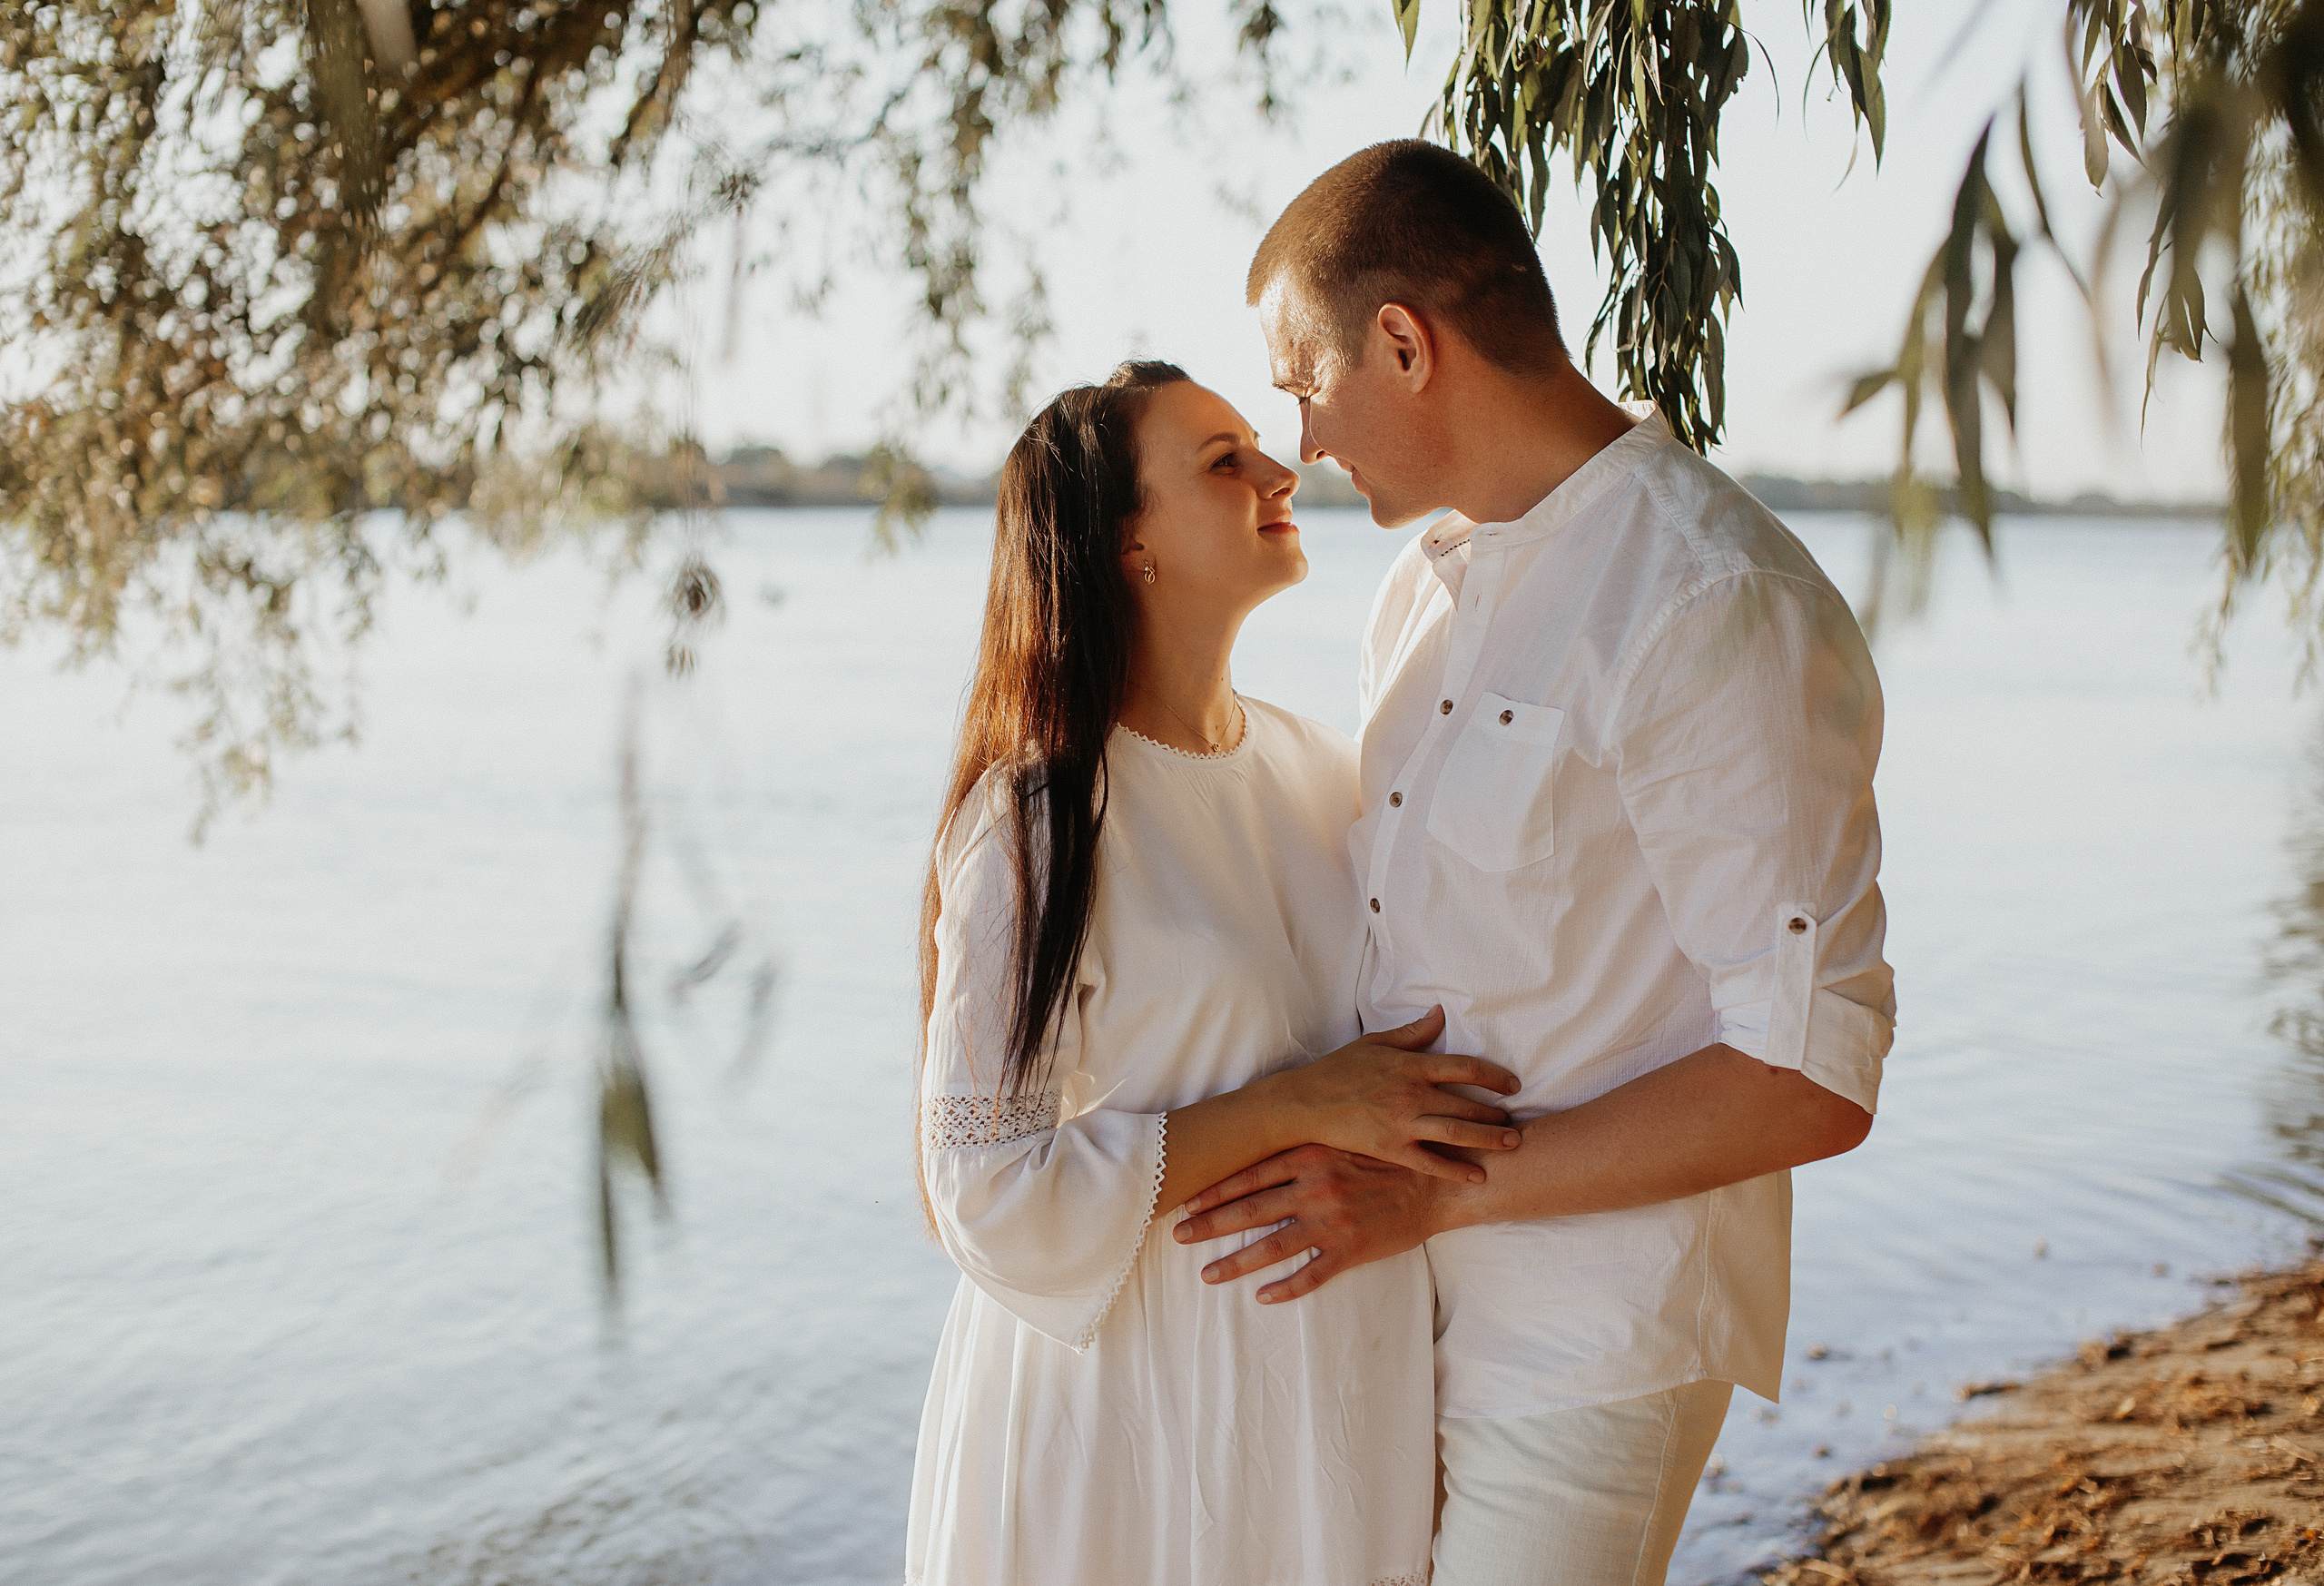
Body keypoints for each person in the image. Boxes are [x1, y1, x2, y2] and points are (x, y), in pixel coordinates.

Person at [1173, 141, 1897, 1586]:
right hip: (1389, 1320)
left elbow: (1813, 1071)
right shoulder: (1420, 591)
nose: (1300, 441)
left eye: (1303, 380)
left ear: (1402, 343)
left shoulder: (1707, 599)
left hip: (1591, 1339)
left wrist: (1443, 1192)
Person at [905, 359, 1526, 1586]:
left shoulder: (1331, 773)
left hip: (1326, 1404)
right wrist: (1301, 1107)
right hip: (1134, 1413)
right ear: (1128, 542)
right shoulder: (1040, 820)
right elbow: (978, 1186)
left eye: (1256, 446)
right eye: (1221, 461)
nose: (1280, 470)